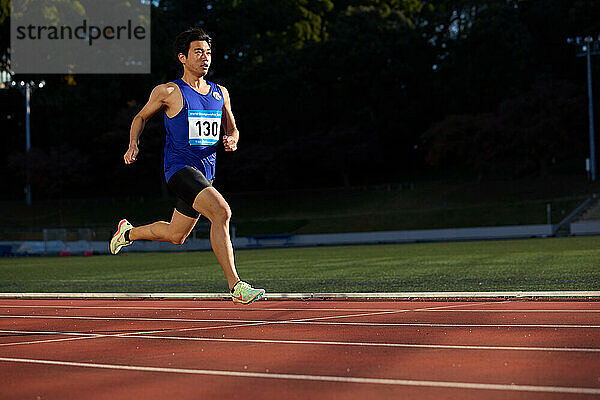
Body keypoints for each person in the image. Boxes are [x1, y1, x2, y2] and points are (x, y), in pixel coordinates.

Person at [109, 27, 265, 305]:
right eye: (198, 52)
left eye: (208, 53)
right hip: (180, 169)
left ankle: (127, 232)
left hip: (206, 175)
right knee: (221, 212)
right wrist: (133, 144)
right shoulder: (168, 91)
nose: (205, 58)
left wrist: (232, 139)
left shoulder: (221, 93)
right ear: (183, 57)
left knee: (175, 235)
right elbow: (140, 117)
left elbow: (233, 128)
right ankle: (236, 286)